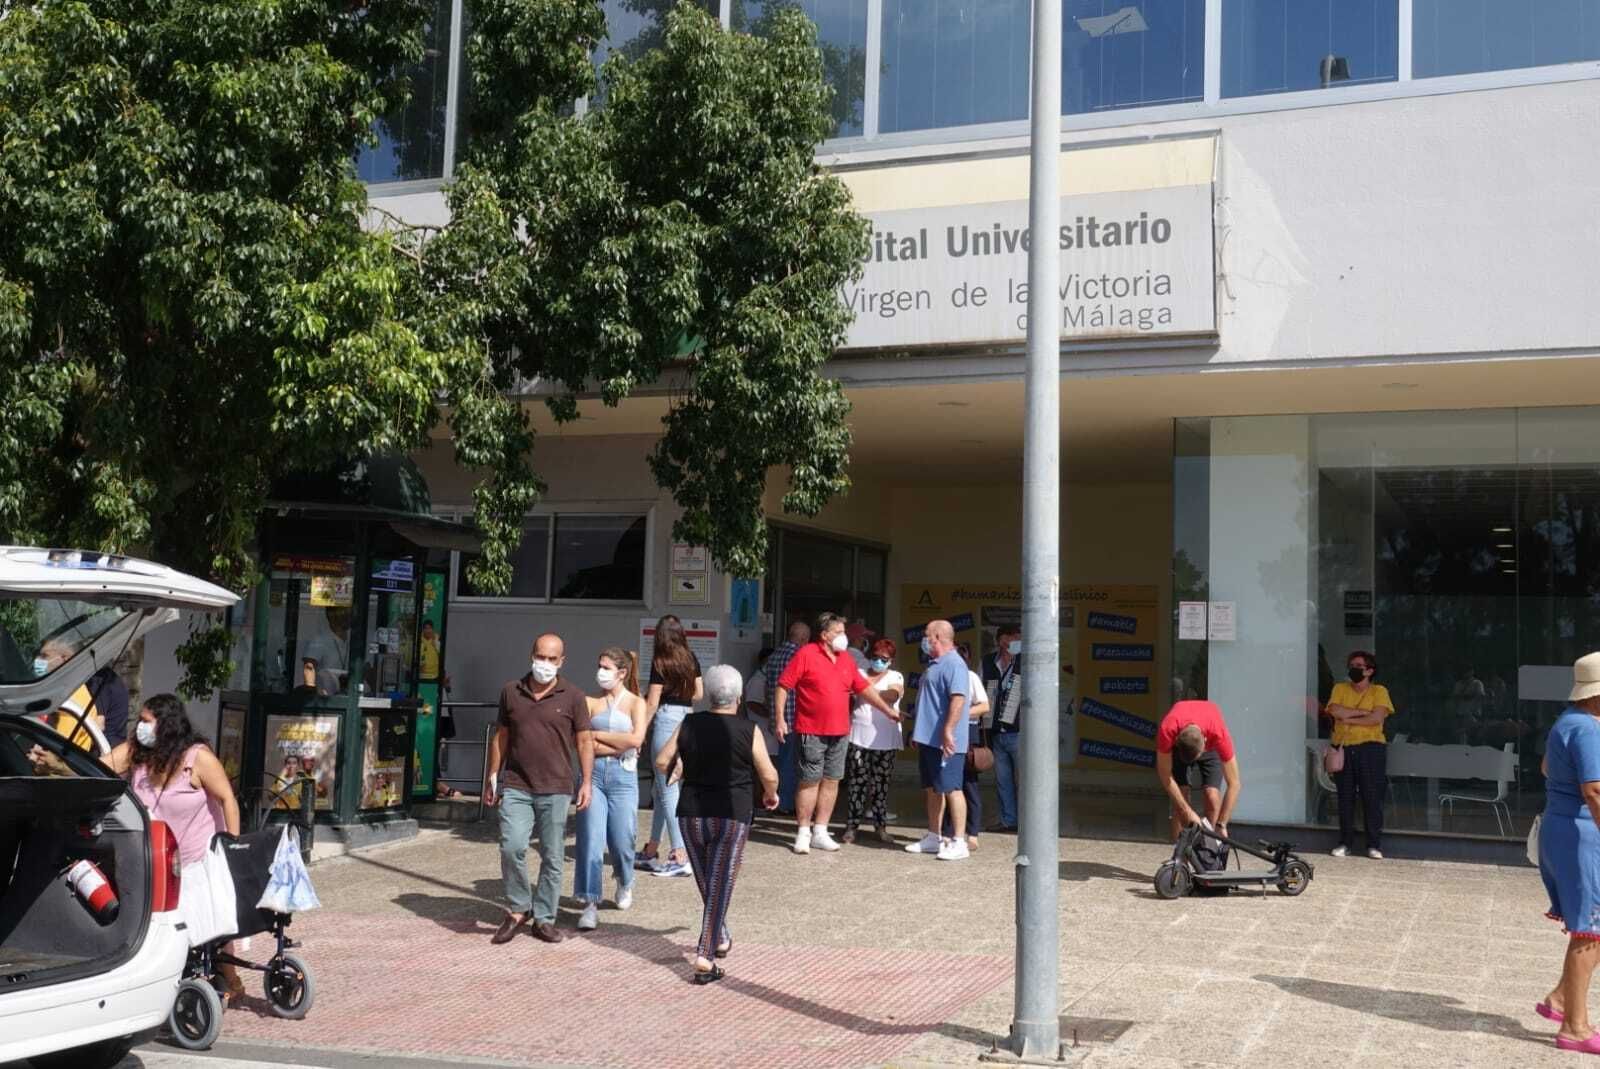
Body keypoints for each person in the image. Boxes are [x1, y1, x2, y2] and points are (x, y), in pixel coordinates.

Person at [111, 695, 244, 1000]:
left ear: (166, 726)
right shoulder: (138, 753)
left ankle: (229, 978)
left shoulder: (197, 759)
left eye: (146, 721)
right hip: (156, 861)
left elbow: (227, 799)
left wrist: (232, 846)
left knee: (211, 928)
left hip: (198, 861)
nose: (140, 727)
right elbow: (100, 766)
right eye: (140, 720)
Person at [653, 665, 779, 985]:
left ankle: (720, 936)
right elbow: (768, 773)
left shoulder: (689, 723)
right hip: (731, 815)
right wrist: (771, 793)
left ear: (708, 695)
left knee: (710, 882)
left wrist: (680, 764)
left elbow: (661, 760)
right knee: (720, 883)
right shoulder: (747, 729)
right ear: (738, 697)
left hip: (691, 813)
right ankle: (705, 954)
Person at [484, 633, 593, 945]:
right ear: (531, 655)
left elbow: (584, 741)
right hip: (517, 784)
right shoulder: (511, 692)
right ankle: (519, 907)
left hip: (556, 786)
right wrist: (493, 776)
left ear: (561, 661)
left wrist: (586, 782)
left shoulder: (573, 696)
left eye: (551, 659)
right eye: (540, 657)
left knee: (552, 855)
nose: (544, 664)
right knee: (512, 846)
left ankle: (544, 917)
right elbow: (501, 736)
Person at [774, 612, 901, 854]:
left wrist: (887, 710)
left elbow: (864, 689)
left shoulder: (846, 660)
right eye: (839, 632)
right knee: (809, 780)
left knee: (832, 780)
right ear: (824, 635)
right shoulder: (806, 654)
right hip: (811, 730)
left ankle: (820, 830)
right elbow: (784, 686)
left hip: (840, 732)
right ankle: (803, 831)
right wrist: (780, 719)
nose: (844, 637)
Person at [1537, 652, 1600, 1053]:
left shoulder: (1567, 722)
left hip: (1561, 828)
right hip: (1583, 834)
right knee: (1588, 931)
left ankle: (1561, 998)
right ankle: (1575, 1029)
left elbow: (1545, 768)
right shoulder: (1589, 730)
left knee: (1591, 926)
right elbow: (1594, 790)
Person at [575, 647, 647, 931]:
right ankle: (590, 901)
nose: (601, 672)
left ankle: (625, 879)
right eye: (599, 665)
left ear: (622, 673)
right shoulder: (590, 702)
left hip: (623, 777)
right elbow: (582, 742)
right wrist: (617, 742)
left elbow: (636, 739)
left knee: (622, 838)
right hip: (593, 773)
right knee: (591, 838)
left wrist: (598, 736)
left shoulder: (635, 703)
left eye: (606, 667)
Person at [637, 615, 703, 877]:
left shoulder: (660, 662)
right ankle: (652, 849)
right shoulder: (691, 658)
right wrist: (681, 689)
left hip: (665, 719)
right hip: (687, 718)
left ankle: (679, 853)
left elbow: (652, 702)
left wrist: (640, 731)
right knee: (663, 786)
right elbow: (699, 693)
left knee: (666, 788)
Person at [904, 620, 972, 861]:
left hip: (946, 741)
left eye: (926, 635)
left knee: (952, 788)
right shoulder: (934, 664)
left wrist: (948, 731)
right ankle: (934, 837)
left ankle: (959, 841)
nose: (924, 639)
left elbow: (958, 699)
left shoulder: (954, 664)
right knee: (933, 789)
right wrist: (918, 732)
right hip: (928, 739)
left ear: (937, 636)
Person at [1325, 649, 1395, 859]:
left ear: (1370, 670)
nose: (1354, 670)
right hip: (1344, 748)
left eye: (1359, 666)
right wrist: (1364, 712)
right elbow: (1335, 711)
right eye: (1352, 666)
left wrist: (1349, 718)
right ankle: (1345, 843)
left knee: (1371, 797)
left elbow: (1377, 719)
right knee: (1345, 797)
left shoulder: (1379, 691)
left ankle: (1373, 844)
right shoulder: (1340, 688)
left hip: (1371, 749)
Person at [1155, 699, 1241, 842]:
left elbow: (1235, 783)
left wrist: (1222, 824)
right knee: (1181, 795)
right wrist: (1186, 811)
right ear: (1176, 741)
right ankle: (1180, 854)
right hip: (1184, 741)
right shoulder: (1167, 729)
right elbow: (1165, 773)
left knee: (1212, 797)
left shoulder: (1218, 733)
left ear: (1206, 741)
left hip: (1208, 741)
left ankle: (1208, 845)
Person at [844, 638, 904, 844]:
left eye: (884, 659)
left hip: (885, 740)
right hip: (858, 737)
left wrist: (866, 690)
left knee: (880, 785)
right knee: (856, 784)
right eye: (875, 657)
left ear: (891, 661)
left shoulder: (895, 676)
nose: (878, 661)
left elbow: (892, 695)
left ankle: (880, 827)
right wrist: (864, 687)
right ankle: (852, 827)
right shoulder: (859, 674)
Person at [941, 642, 991, 850]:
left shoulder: (971, 677)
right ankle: (947, 831)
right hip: (946, 732)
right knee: (948, 785)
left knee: (969, 785)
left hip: (968, 733)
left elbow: (984, 706)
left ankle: (973, 833)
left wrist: (960, 714)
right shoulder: (942, 675)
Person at [764, 620, 810, 813]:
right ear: (802, 638)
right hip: (795, 718)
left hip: (778, 718)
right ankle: (786, 804)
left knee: (783, 761)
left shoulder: (774, 655)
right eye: (807, 639)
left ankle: (779, 800)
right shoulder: (798, 655)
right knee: (793, 764)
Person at [984, 625, 1022, 832]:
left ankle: (1029, 823)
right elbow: (982, 692)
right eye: (1010, 639)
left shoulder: (1025, 661)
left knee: (1025, 780)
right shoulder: (988, 662)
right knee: (1003, 780)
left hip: (1019, 732)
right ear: (1000, 641)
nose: (1013, 644)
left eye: (1017, 640)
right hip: (995, 732)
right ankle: (1009, 821)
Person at [743, 647, 778, 761]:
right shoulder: (758, 680)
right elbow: (752, 704)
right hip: (764, 735)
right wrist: (773, 715)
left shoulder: (768, 678)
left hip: (769, 737)